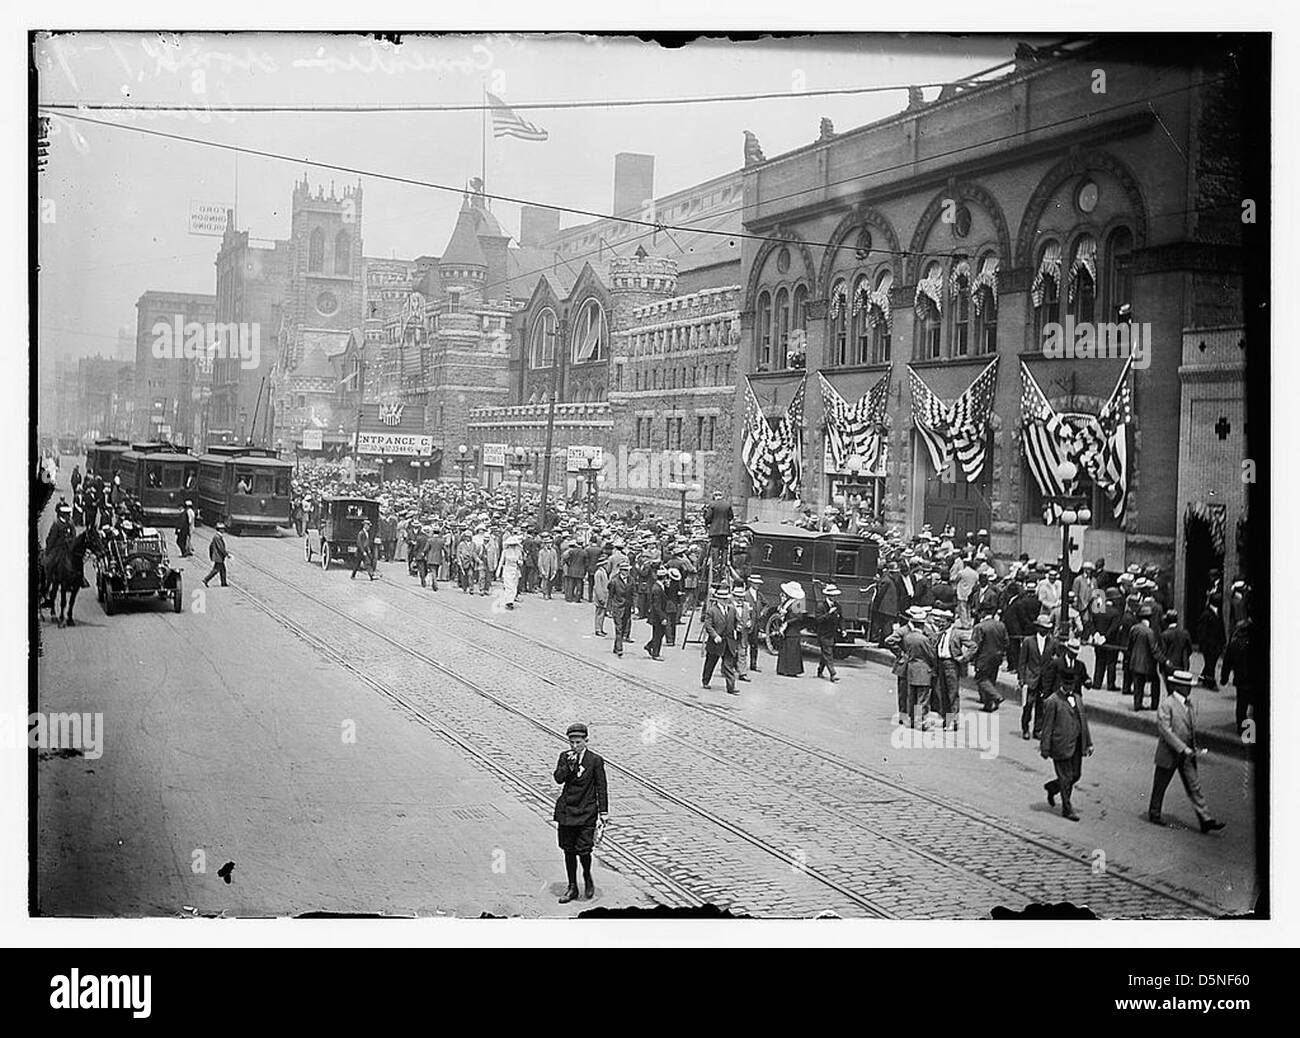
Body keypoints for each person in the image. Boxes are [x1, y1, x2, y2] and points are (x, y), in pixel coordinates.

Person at [1148, 671, 1225, 833]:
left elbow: (1190, 728)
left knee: (1194, 786)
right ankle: (1154, 812)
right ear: (1178, 686)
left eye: (1189, 686)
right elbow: (1165, 730)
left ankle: (1205, 819)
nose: (1189, 689)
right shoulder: (1167, 704)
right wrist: (1182, 748)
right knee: (1160, 785)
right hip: (1170, 752)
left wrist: (1191, 747)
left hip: (1187, 754)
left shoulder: (1188, 704)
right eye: (1186, 686)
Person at [552, 723, 609, 903]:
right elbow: (558, 779)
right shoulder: (565, 757)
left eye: (578, 742)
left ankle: (587, 876)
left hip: (586, 810)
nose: (574, 746)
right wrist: (568, 766)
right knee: (568, 850)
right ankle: (572, 887)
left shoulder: (595, 760)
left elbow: (601, 786)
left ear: (586, 741)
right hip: (567, 810)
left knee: (584, 850)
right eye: (571, 742)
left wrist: (604, 812)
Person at [1039, 636, 1094, 821]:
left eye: (1072, 685)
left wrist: (1089, 743)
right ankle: (1067, 808)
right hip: (1060, 743)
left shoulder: (1077, 698)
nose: (1070, 687)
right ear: (1062, 684)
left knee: (1075, 775)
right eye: (1067, 685)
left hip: (1077, 743)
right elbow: (1047, 727)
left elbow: (1083, 722)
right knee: (1065, 777)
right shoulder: (1053, 701)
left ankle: (1052, 788)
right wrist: (1045, 747)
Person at [1018, 614, 1057, 740]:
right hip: (1031, 678)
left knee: (1041, 706)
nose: (1046, 630)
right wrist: (1021, 678)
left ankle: (1037, 729)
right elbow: (1022, 661)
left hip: (1044, 680)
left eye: (1047, 628)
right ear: (1038, 628)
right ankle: (1025, 728)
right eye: (1043, 628)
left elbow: (1054, 660)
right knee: (1028, 705)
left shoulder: (1052, 642)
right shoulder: (1028, 641)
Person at [966, 601, 1008, 711]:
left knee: (981, 679)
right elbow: (1006, 642)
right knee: (991, 680)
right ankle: (988, 705)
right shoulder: (1001, 625)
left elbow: (975, 645)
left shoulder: (980, 627)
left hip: (983, 658)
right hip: (997, 657)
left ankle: (996, 696)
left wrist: (969, 658)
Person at [701, 585, 741, 695]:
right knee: (711, 662)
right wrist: (715, 636)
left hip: (728, 641)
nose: (725, 601)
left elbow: (736, 621)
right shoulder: (712, 611)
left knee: (728, 664)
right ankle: (706, 681)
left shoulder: (731, 609)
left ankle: (731, 687)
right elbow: (708, 625)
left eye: (726, 599)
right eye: (723, 599)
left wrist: (738, 627)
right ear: (718, 599)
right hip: (716, 642)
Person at [1219, 616, 1253, 734]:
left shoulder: (1233, 644)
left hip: (1240, 679)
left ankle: (1242, 729)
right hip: (1253, 679)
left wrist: (1224, 678)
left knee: (1241, 706)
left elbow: (1227, 663)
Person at [1127, 607, 1164, 711]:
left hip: (1134, 662)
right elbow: (1154, 650)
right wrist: (1164, 660)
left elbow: (1129, 647)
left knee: (1138, 685)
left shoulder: (1134, 629)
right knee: (1155, 681)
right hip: (1147, 664)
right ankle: (1154, 705)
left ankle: (1137, 704)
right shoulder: (1149, 632)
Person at [774, 581, 806, 678]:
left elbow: (799, 617)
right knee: (785, 649)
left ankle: (792, 670)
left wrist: (788, 622)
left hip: (793, 629)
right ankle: (783, 669)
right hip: (786, 628)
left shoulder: (798, 603)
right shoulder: (788, 601)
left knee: (792, 650)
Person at [813, 585, 844, 683]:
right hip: (823, 633)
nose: (834, 597)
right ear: (827, 595)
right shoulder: (821, 606)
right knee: (828, 653)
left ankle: (820, 670)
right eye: (832, 595)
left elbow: (841, 618)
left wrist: (843, 629)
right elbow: (818, 620)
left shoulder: (837, 606)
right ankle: (833, 674)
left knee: (825, 653)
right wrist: (829, 614)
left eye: (835, 595)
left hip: (832, 633)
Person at [1196, 593, 1227, 690]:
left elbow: (1221, 627)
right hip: (1209, 645)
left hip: (1216, 644)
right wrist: (1203, 644)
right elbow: (1202, 631)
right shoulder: (1206, 614)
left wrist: (1223, 640)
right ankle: (1210, 682)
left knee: (1211, 663)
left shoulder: (1217, 612)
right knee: (1210, 664)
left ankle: (1203, 678)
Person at [607, 560, 632, 656]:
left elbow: (634, 593)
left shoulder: (631, 580)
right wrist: (609, 609)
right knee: (619, 628)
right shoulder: (614, 581)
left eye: (628, 570)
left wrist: (634, 606)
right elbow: (610, 595)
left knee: (624, 627)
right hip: (617, 607)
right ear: (621, 571)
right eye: (625, 570)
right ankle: (619, 648)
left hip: (627, 608)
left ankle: (616, 646)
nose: (627, 572)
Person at [644, 566, 668, 660]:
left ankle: (650, 646)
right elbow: (657, 606)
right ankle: (655, 654)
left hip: (657, 614)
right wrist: (662, 617)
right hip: (657, 616)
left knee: (660, 633)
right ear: (664, 578)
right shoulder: (657, 589)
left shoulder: (658, 586)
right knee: (658, 634)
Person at [203, 522, 230, 587]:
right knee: (216, 570)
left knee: (222, 570)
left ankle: (223, 583)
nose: (224, 530)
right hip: (218, 556)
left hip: (218, 556)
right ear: (219, 529)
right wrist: (226, 554)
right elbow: (220, 547)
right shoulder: (217, 537)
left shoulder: (218, 536)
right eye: (222, 529)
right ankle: (206, 579)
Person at [592, 550, 609, 633]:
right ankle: (598, 629)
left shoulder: (603, 572)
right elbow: (598, 587)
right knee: (599, 614)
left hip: (604, 596)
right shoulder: (599, 573)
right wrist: (601, 597)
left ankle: (600, 628)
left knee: (602, 614)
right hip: (601, 596)